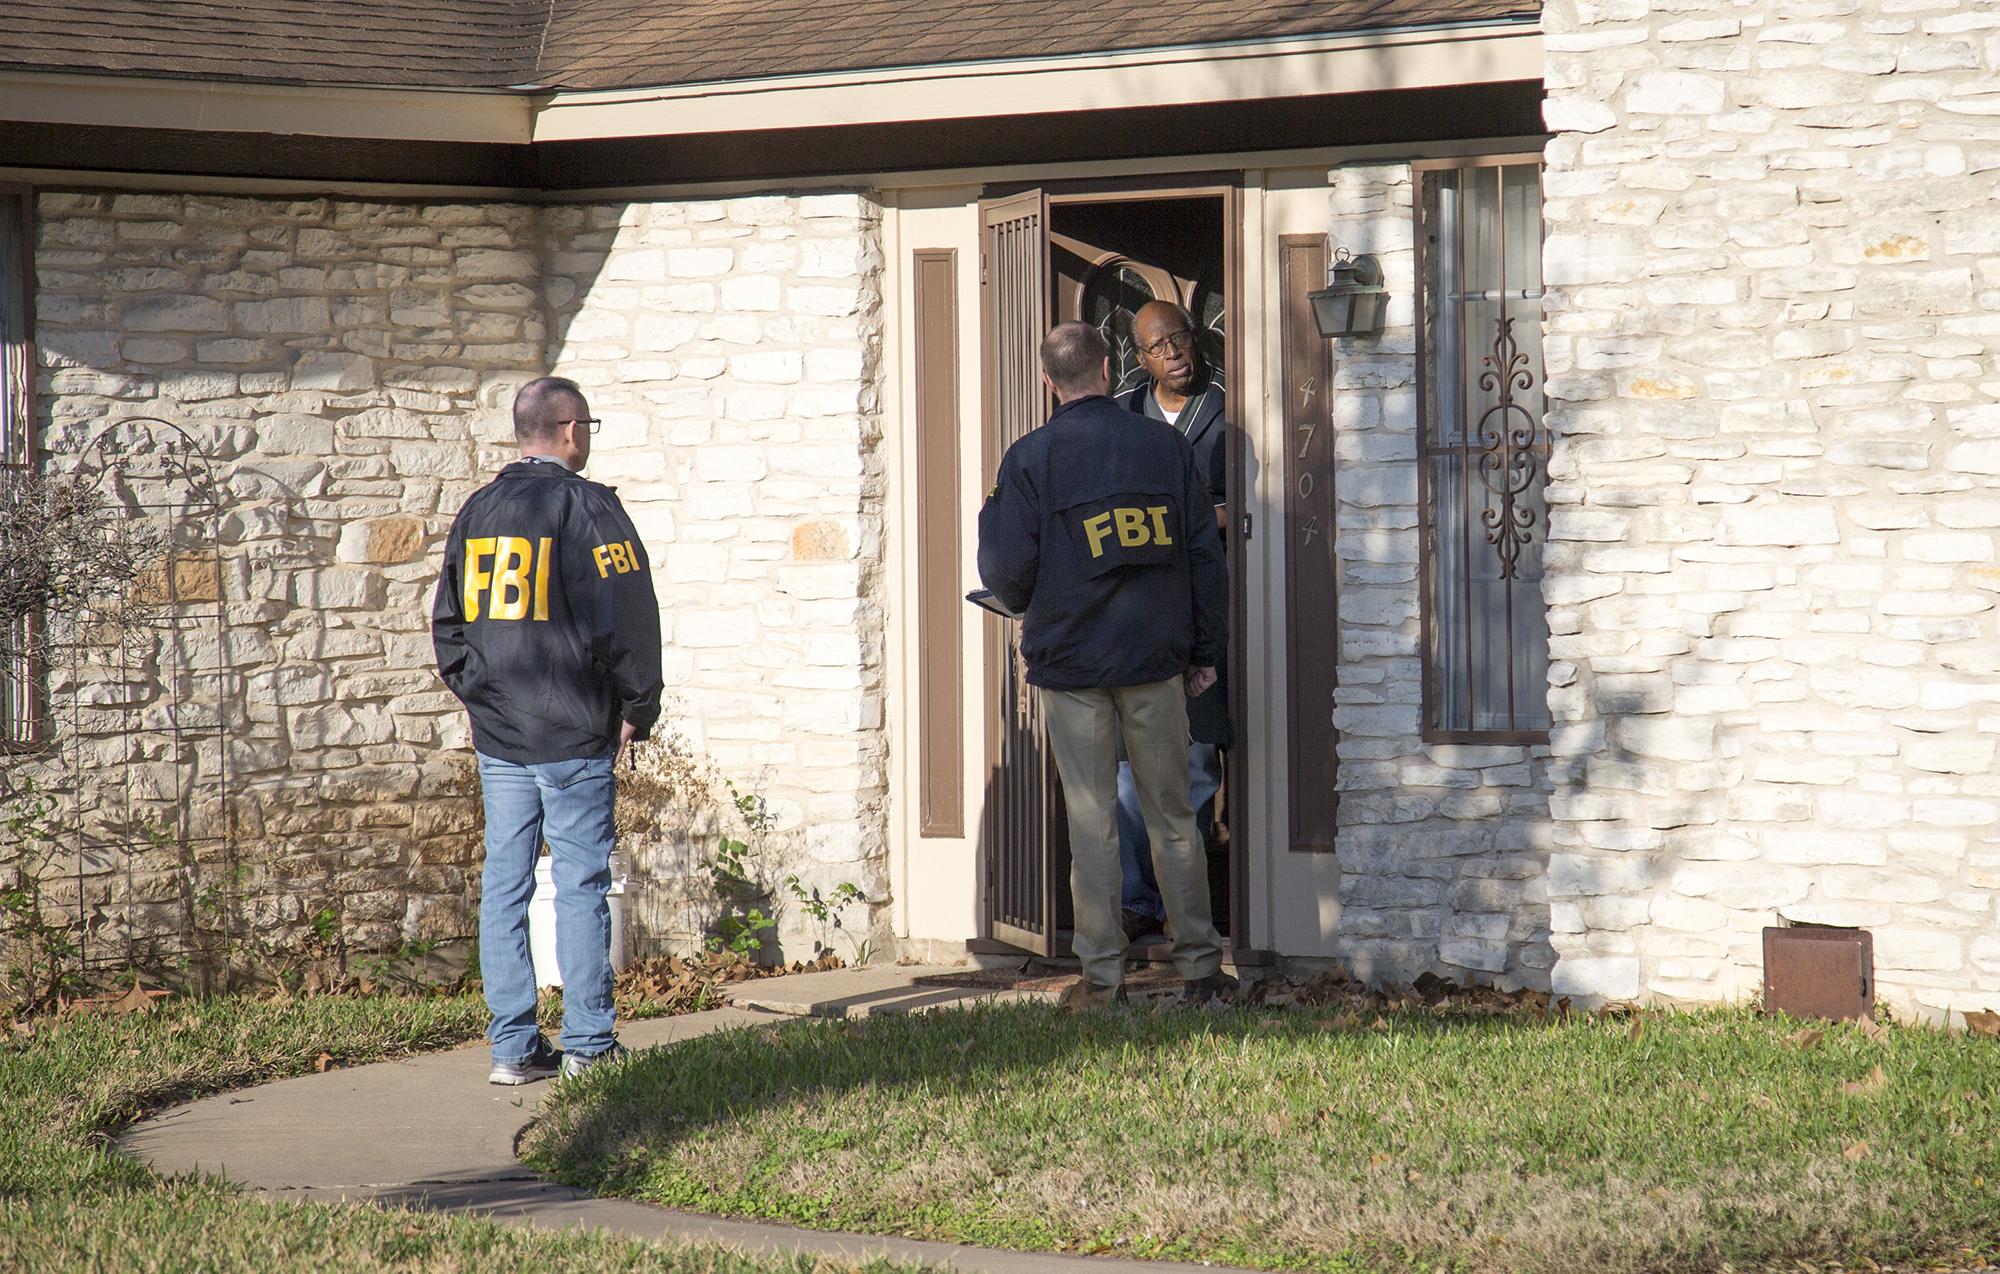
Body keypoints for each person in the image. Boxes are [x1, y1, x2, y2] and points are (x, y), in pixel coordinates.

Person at [977, 321, 1237, 1007]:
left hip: (1073, 667)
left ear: (1047, 382)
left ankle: (1102, 980)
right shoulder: (1164, 447)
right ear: (1108, 366)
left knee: (1091, 819)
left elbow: (1004, 569)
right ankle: (1202, 968)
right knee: (1174, 816)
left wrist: (1031, 602)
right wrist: (1205, 653)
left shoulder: (1030, 458)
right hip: (1157, 662)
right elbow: (1206, 559)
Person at [433, 376, 663, 1084]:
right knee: (580, 882)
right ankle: (589, 1046)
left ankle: (514, 1049)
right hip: (572, 731)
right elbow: (626, 614)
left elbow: (451, 626)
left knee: (504, 882)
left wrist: (482, 699)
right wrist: (638, 705)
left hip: (501, 735)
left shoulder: (477, 510)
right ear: (569, 431)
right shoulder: (586, 507)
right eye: (587, 425)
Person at [1113, 300, 1231, 942]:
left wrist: (1200, 518)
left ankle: (1185, 909)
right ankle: (1137, 901)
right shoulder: (1125, 416)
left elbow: (1239, 503)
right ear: (1141, 359)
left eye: (1181, 339)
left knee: (1193, 767)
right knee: (1129, 770)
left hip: (1204, 609)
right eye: (1160, 347)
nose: (1175, 354)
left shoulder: (1225, 408)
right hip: (1140, 614)